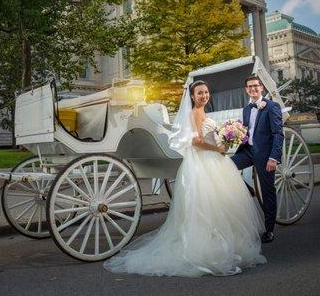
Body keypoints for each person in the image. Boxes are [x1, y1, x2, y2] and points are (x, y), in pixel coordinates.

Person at [103, 80, 266, 277]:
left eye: (206, 92)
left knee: (217, 202)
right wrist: (218, 148)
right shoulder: (194, 113)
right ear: (192, 96)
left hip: (211, 159)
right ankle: (208, 245)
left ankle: (220, 238)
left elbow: (206, 136)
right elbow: (196, 142)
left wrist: (223, 139)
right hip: (203, 161)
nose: (204, 95)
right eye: (200, 93)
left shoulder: (201, 111)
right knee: (208, 203)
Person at [231, 75, 283, 243]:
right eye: (249, 87)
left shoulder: (271, 106)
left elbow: (278, 134)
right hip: (248, 151)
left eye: (256, 86)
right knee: (226, 166)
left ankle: (269, 230)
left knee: (267, 191)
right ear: (246, 89)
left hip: (265, 155)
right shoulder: (246, 109)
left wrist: (274, 158)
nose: (253, 89)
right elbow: (247, 132)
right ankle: (248, 188)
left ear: (262, 88)